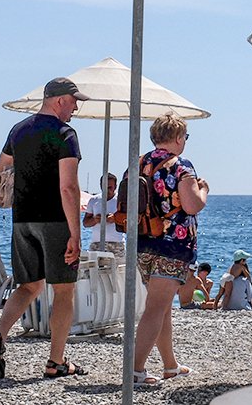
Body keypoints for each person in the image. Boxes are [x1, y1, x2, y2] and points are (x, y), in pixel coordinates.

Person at [0, 77, 89, 380]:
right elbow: (68, 188)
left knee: (29, 286)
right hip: (55, 220)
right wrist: (76, 234)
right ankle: (56, 362)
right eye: (74, 101)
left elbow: (0, 171)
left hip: (22, 220)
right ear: (59, 100)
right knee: (64, 291)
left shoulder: (18, 130)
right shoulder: (65, 134)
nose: (76, 108)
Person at [132, 114, 209, 387]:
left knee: (162, 306)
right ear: (178, 137)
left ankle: (170, 365)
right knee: (156, 308)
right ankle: (135, 371)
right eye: (184, 137)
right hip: (172, 245)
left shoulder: (139, 163)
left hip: (143, 242)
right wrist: (203, 190)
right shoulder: (181, 166)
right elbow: (192, 205)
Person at [83, 173, 125, 260]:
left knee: (118, 268)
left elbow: (129, 221)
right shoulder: (93, 200)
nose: (107, 190)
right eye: (104, 187)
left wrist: (115, 219)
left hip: (116, 244)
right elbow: (85, 223)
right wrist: (95, 220)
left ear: (115, 186)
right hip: (96, 244)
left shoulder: (121, 200)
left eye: (110, 187)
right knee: (92, 267)